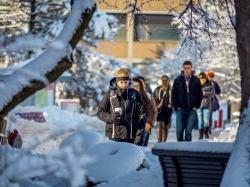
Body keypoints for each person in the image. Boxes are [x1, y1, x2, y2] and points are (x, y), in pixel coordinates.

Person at [97, 68, 146, 144]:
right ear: (117, 82)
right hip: (114, 136)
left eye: (125, 82)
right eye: (121, 82)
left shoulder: (135, 94)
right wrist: (111, 117)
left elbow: (142, 114)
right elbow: (100, 112)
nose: (123, 84)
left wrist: (139, 135)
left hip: (131, 135)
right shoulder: (109, 94)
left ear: (129, 81)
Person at [172, 61, 203, 141]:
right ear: (183, 68)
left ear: (191, 68)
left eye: (188, 68)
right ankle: (179, 151)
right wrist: (176, 106)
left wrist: (196, 106)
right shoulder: (177, 80)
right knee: (179, 132)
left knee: (188, 132)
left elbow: (200, 94)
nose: (187, 70)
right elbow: (173, 94)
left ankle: (186, 152)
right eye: (185, 68)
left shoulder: (196, 80)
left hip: (192, 109)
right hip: (180, 109)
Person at [132, 77, 157, 146]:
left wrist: (149, 123)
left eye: (138, 86)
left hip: (143, 126)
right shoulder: (128, 95)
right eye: (134, 86)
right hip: (130, 128)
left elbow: (153, 111)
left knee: (141, 147)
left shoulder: (147, 96)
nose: (136, 88)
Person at [153, 75, 172, 142]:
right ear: (161, 81)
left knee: (166, 126)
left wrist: (171, 104)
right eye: (163, 80)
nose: (164, 81)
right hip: (160, 109)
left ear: (168, 81)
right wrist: (157, 103)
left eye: (166, 80)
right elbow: (153, 98)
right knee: (160, 124)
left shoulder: (171, 89)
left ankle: (164, 141)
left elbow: (174, 99)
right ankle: (159, 141)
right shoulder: (157, 89)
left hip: (168, 110)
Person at [197, 72, 215, 139]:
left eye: (203, 79)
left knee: (206, 120)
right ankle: (200, 135)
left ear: (206, 78)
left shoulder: (210, 85)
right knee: (200, 120)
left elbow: (213, 93)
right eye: (200, 79)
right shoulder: (196, 85)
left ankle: (206, 132)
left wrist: (205, 93)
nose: (202, 80)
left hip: (207, 105)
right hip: (198, 105)